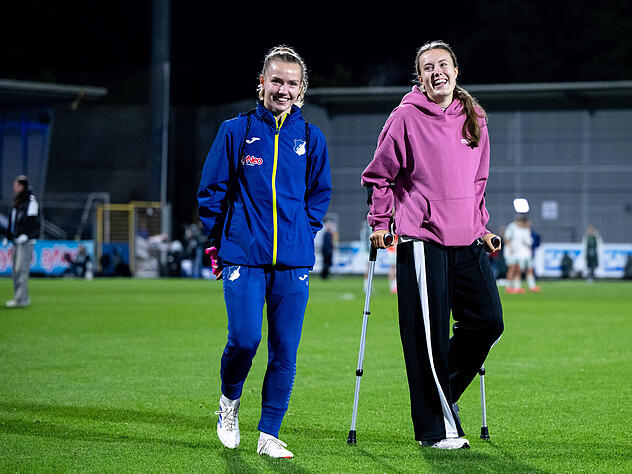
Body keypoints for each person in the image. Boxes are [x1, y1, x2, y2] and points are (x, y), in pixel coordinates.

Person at [361, 41, 504, 450]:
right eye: (427, 68)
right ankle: (435, 428)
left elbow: (477, 182)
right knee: (427, 338)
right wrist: (380, 221)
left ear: (456, 70)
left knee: (488, 321)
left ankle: (441, 396)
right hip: (422, 239)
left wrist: (481, 225)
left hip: (467, 238)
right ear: (419, 77)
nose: (436, 72)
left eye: (443, 65)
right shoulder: (405, 117)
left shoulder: (474, 117)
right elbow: (379, 176)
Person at [197, 45, 332, 459]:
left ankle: (269, 433)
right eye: (276, 80)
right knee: (245, 340)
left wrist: (301, 234)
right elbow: (211, 192)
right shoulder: (235, 131)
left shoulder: (310, 138)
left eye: (292, 83)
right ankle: (229, 403)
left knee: (285, 351)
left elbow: (319, 194)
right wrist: (219, 241)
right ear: (261, 83)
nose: (283, 89)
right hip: (243, 255)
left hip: (293, 262)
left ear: (302, 89)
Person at [5, 175, 39, 308]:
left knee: (22, 269)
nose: (14, 188)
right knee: (15, 270)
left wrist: (27, 234)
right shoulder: (18, 201)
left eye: (16, 186)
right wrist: (9, 236)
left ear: (22, 186)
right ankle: (18, 297)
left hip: (26, 241)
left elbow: (33, 220)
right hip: (16, 239)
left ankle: (22, 299)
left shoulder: (31, 200)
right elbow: (13, 220)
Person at [504, 214, 539, 293]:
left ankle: (517, 287)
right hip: (512, 252)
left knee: (519, 269)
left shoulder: (525, 229)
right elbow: (507, 238)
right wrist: (510, 248)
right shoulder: (512, 227)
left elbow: (528, 241)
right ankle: (509, 286)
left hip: (521, 253)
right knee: (512, 269)